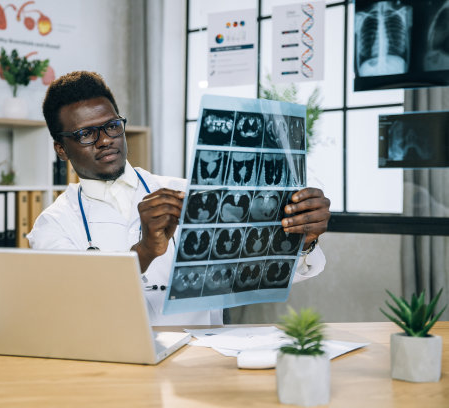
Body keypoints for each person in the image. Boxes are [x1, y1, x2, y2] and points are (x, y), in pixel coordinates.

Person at [27, 71, 331, 326]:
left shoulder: (191, 192)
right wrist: (145, 251)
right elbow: (74, 310)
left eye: (111, 126)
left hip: (201, 367)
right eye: (85, 134)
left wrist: (302, 240)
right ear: (61, 149)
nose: (105, 139)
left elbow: (259, 274)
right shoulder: (53, 226)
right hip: (118, 376)